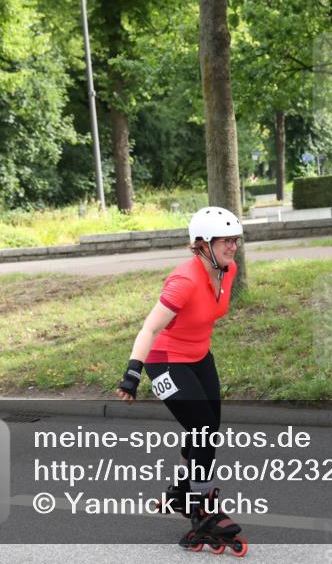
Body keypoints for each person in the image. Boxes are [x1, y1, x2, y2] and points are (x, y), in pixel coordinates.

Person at [116, 206, 248, 556]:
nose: (233, 247)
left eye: (235, 239)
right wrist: (132, 372)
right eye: (225, 241)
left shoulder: (228, 270)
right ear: (203, 244)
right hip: (163, 361)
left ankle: (180, 491)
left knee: (207, 430)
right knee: (202, 426)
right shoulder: (184, 280)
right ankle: (201, 507)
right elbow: (151, 327)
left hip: (199, 357)